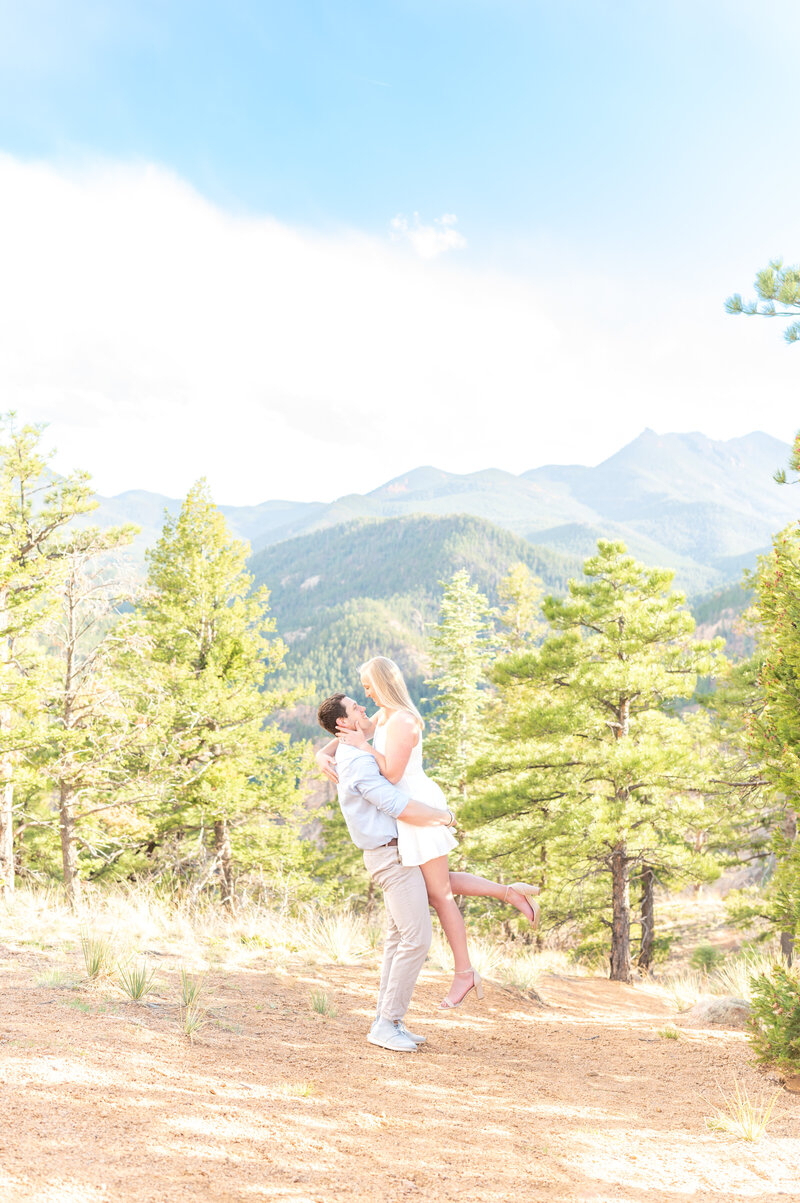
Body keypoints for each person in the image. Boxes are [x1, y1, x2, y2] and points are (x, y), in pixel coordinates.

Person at [316, 657, 540, 1009]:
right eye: (363, 690)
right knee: (440, 884)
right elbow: (346, 735)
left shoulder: (404, 721)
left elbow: (389, 774)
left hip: (416, 804)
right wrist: (321, 754)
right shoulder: (385, 715)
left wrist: (364, 747)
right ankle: (509, 894)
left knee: (440, 895)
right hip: (405, 807)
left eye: (369, 686)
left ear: (383, 683)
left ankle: (465, 972)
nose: (366, 693)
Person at [317, 691, 459, 1053]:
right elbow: (396, 805)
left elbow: (380, 718)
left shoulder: (353, 745)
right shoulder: (359, 764)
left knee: (399, 939)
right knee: (417, 939)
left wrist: (324, 750)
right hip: (390, 858)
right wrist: (444, 817)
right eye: (355, 707)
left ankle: (389, 1020)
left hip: (397, 854)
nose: (363, 707)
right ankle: (386, 1024)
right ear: (343, 724)